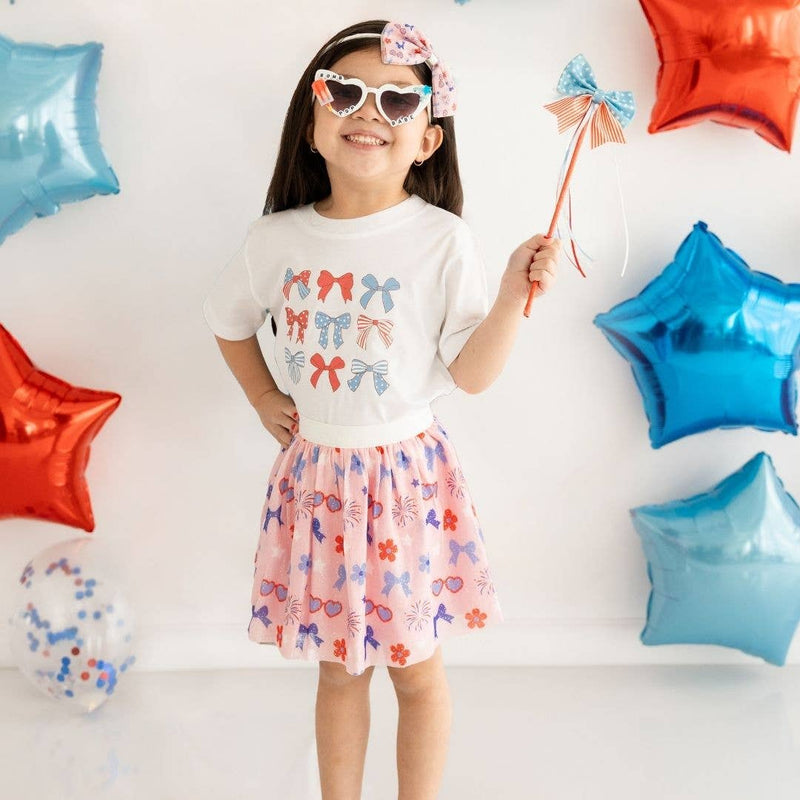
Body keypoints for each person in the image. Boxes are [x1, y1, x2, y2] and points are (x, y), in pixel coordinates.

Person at [202, 18, 561, 800]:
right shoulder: (276, 240)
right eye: (346, 92)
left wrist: (509, 296)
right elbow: (227, 321)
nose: (370, 113)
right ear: (313, 119)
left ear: (428, 139)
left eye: (398, 101)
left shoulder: (443, 241)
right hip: (320, 482)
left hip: (405, 489)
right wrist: (265, 395)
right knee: (339, 671)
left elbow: (470, 375)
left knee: (417, 670)